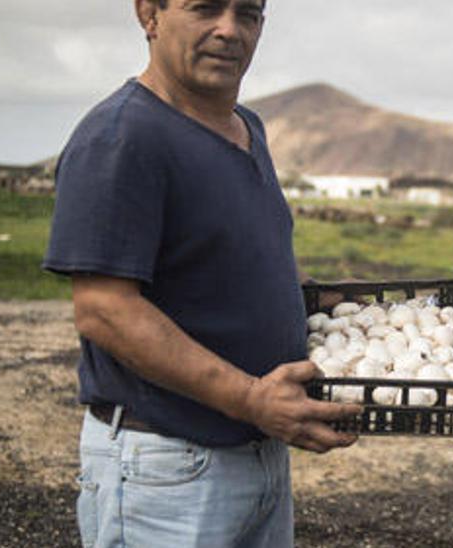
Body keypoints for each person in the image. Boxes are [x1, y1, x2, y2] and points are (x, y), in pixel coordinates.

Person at [42, 0, 362, 546]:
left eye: (248, 14)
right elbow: (104, 310)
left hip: (257, 455)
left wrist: (332, 305)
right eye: (207, 8)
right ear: (150, 14)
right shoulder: (123, 136)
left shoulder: (246, 128)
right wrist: (251, 399)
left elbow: (233, 266)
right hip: (166, 469)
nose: (229, 30)